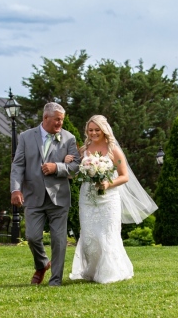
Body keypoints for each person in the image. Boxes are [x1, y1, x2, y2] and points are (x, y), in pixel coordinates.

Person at [69, 115, 158, 284]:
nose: (93, 133)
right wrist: (69, 160)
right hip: (87, 197)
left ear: (104, 130)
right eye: (90, 130)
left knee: (107, 234)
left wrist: (108, 184)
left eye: (97, 130)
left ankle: (110, 272)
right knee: (89, 235)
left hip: (108, 199)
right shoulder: (84, 149)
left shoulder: (113, 150)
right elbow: (75, 170)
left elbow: (124, 176)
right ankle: (93, 270)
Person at [10, 102, 80, 286]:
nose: (60, 124)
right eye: (57, 120)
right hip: (33, 195)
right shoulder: (25, 137)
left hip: (59, 198)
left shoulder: (69, 138)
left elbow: (76, 166)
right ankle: (42, 264)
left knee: (59, 240)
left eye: (62, 120)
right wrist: (16, 189)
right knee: (32, 237)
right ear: (45, 118)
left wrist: (57, 167)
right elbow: (18, 165)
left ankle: (55, 280)